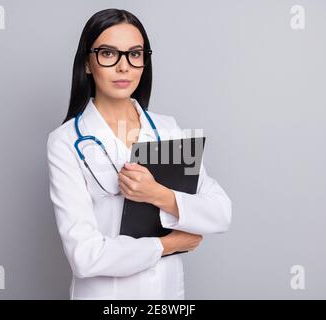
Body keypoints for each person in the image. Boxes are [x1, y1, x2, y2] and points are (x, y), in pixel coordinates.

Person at [46, 8, 232, 300]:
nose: (124, 67)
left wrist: (157, 194)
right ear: (86, 63)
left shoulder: (167, 128)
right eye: (109, 54)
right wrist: (167, 245)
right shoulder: (66, 142)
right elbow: (85, 256)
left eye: (135, 54)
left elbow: (221, 213)